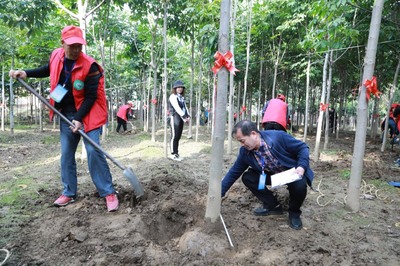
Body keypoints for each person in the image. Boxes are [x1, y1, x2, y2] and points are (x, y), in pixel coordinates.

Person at [9, 25, 119, 212]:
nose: (76, 50)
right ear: (63, 44)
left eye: (79, 46)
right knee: (67, 154)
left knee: (93, 151)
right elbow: (48, 69)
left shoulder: (90, 65)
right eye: (72, 46)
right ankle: (69, 192)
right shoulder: (56, 55)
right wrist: (26, 73)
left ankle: (108, 192)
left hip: (89, 113)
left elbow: (92, 96)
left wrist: (79, 118)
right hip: (65, 112)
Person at [221, 120, 314, 230]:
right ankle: (273, 206)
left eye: (242, 141)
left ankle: (294, 213)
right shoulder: (245, 152)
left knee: (300, 185)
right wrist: (219, 193)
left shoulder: (278, 137)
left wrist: (301, 166)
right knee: (248, 178)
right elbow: (233, 172)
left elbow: (303, 148)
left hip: (291, 173)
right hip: (272, 176)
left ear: (253, 134)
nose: (242, 145)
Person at [168, 80, 190, 161]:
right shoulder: (173, 96)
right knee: (174, 136)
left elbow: (184, 107)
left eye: (181, 87)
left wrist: (188, 116)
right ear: (175, 88)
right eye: (178, 87)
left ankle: (177, 153)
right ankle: (173, 154)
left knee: (178, 136)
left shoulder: (181, 97)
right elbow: (177, 108)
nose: (180, 89)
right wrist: (184, 116)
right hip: (174, 117)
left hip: (181, 118)